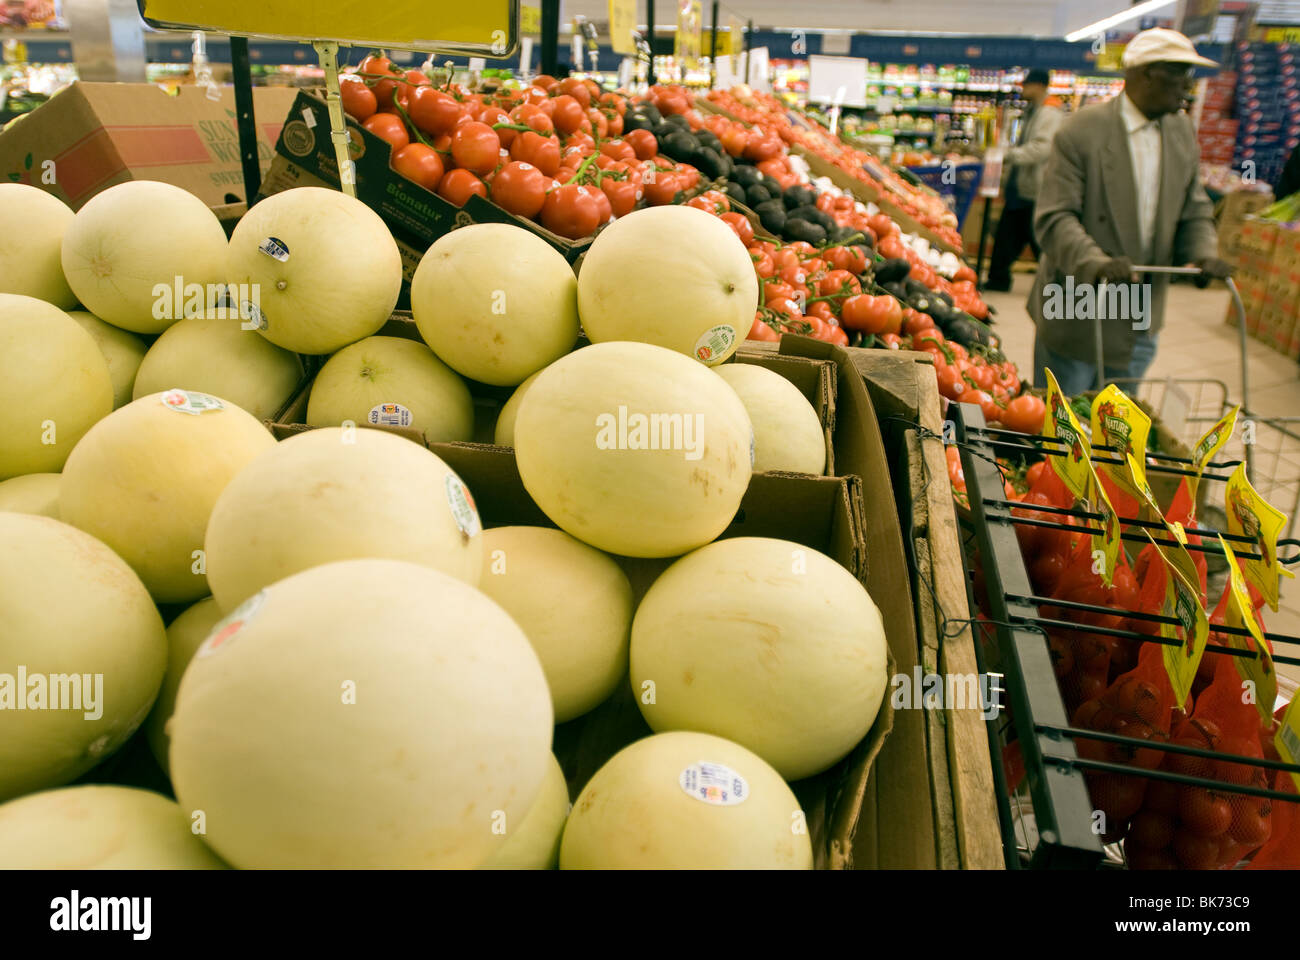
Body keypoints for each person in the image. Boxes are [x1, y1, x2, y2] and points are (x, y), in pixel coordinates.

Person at [1028, 28, 1233, 394]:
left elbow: (1193, 208)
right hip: (1077, 306)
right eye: (1179, 72)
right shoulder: (1081, 131)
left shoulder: (1181, 131)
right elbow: (1055, 218)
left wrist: (1203, 253)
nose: (1188, 85)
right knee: (1065, 426)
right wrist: (1095, 261)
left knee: (1119, 428)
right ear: (1144, 73)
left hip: (1140, 314)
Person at [983, 69, 1063, 292]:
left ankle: (1058, 283)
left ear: (1039, 86)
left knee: (1037, 238)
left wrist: (1008, 156)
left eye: (1026, 85)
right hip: (1023, 187)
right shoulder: (1033, 111)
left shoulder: (1049, 113)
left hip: (1036, 188)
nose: (1022, 89)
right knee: (1009, 235)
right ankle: (999, 278)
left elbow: (1041, 149)